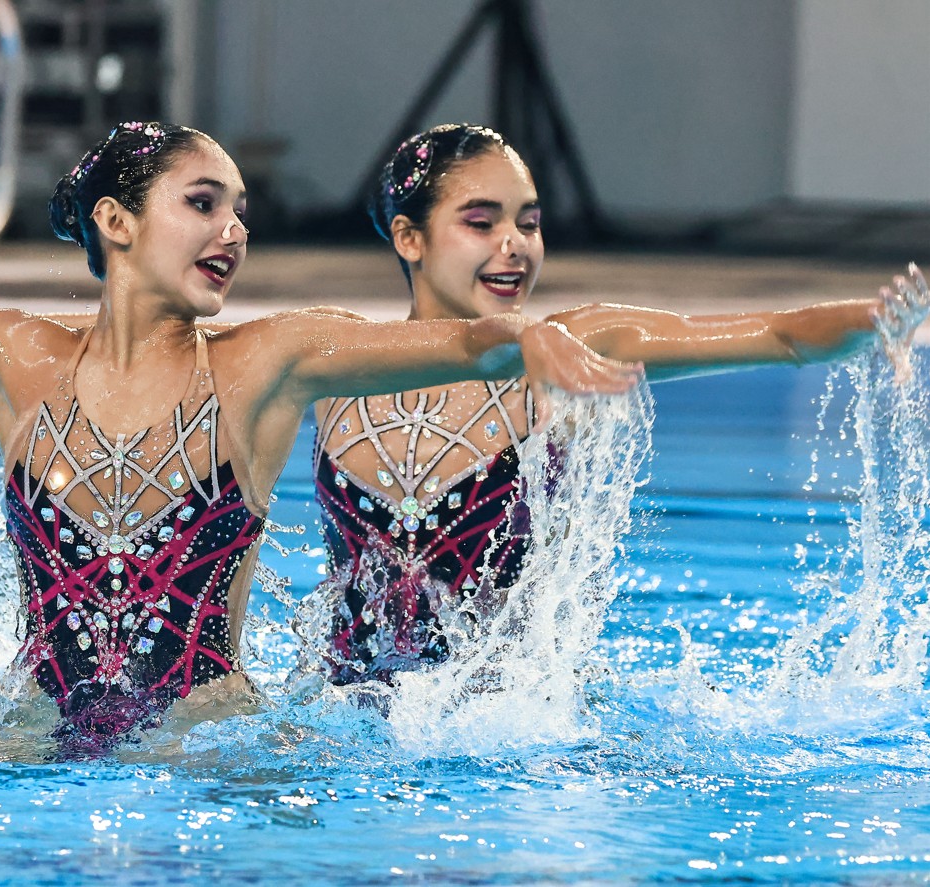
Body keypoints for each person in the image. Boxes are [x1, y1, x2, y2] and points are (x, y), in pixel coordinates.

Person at [0, 122, 640, 757]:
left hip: (211, 747)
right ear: (116, 220)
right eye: (203, 204)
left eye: (241, 210)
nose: (233, 231)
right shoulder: (15, 355)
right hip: (26, 732)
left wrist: (523, 339)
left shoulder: (262, 360)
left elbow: (452, 341)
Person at [310, 123, 928, 686]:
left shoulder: (573, 347)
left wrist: (870, 320)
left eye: (528, 222)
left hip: (512, 723)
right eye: (481, 222)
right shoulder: (337, 365)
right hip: (350, 714)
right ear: (409, 238)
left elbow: (775, 334)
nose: (514, 246)